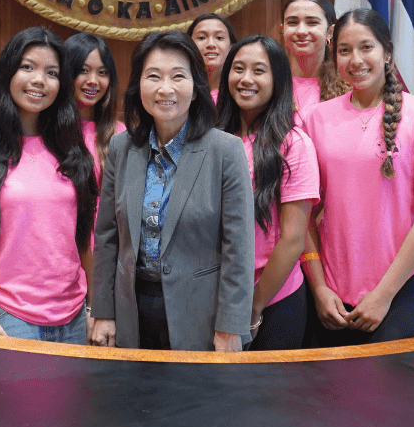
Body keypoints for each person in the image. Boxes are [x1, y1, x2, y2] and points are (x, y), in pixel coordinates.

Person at [89, 31, 254, 352]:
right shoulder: (121, 147)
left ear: (195, 89)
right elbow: (107, 238)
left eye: (178, 76)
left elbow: (239, 248)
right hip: (131, 311)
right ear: (140, 87)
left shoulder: (226, 150)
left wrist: (231, 326)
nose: (165, 88)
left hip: (202, 315)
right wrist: (103, 312)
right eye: (153, 76)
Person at [300, 9, 414, 345]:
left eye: (366, 47)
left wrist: (384, 295)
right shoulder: (316, 118)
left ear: (387, 52)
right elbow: (303, 214)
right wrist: (319, 289)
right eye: (344, 50)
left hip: (400, 287)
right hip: (331, 293)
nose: (355, 60)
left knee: (391, 393)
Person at [0, 28, 98, 344]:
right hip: (9, 317)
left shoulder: (77, 153)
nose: (40, 80)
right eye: (27, 67)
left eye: (52, 72)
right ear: (8, 73)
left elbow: (86, 239)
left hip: (74, 317)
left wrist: (96, 308)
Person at [215, 35, 318, 351]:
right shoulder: (209, 137)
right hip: (216, 295)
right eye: (238, 69)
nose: (246, 79)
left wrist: (252, 307)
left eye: (259, 71)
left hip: (273, 299)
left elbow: (292, 239)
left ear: (278, 80)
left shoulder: (293, 144)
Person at [64, 32, 126, 179]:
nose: (93, 80)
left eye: (102, 72)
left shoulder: (120, 133)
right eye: (83, 70)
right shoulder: (47, 129)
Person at [280, 0, 347, 117]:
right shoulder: (270, 83)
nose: (301, 31)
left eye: (312, 22)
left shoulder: (349, 86)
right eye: (292, 22)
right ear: (282, 29)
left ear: (330, 32)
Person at [187, 13, 236, 99]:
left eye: (219, 38)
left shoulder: (238, 90)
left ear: (231, 47)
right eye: (201, 38)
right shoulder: (181, 90)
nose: (211, 44)